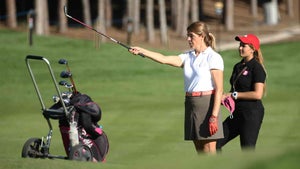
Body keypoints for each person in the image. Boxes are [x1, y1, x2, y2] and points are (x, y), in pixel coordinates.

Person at [129, 21, 224, 154]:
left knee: (209, 150)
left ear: (201, 36)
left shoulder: (213, 57)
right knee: (200, 152)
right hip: (191, 104)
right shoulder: (188, 57)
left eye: (191, 36)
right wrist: (142, 50)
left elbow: (219, 89)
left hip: (207, 105)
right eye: (187, 36)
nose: (188, 39)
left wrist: (214, 116)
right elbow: (164, 59)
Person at [216, 34, 267, 150]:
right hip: (237, 113)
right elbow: (234, 90)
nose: (240, 48)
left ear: (252, 49)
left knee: (247, 150)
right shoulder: (238, 66)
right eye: (240, 45)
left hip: (251, 114)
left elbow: (257, 94)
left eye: (244, 46)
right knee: (215, 143)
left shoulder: (257, 68)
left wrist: (234, 95)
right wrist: (223, 97)